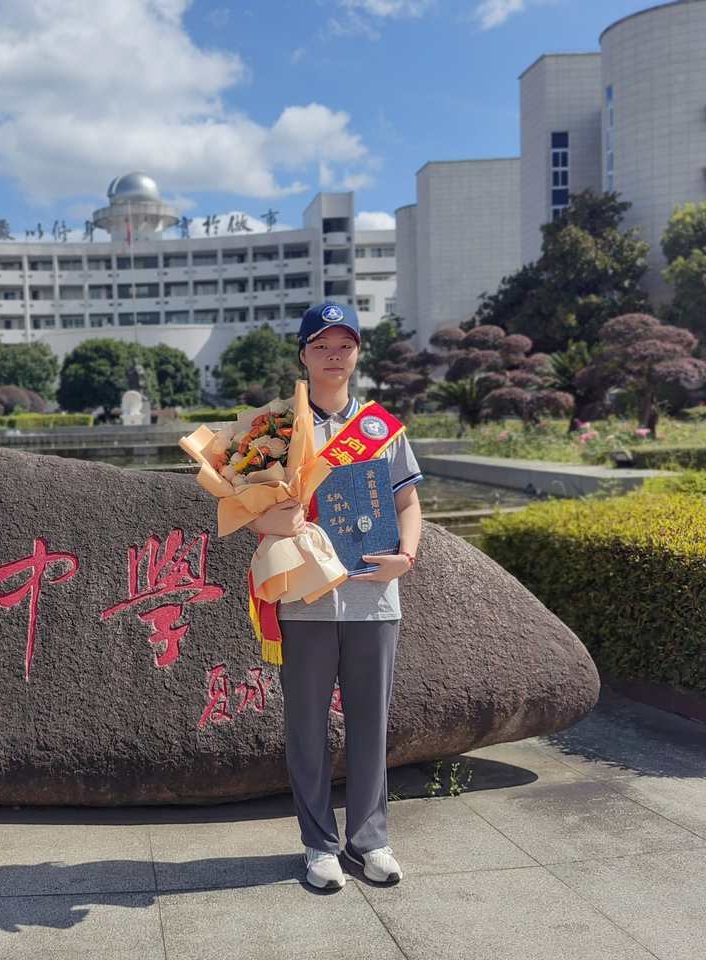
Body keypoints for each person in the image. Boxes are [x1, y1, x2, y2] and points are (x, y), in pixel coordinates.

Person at [247, 301, 422, 891]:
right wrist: (270, 522)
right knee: (306, 725)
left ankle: (370, 840)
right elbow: (248, 509)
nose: (333, 356)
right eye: (321, 345)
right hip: (305, 597)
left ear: (357, 353)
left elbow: (407, 503)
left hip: (374, 597)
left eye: (344, 345)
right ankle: (319, 845)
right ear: (303, 354)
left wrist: (406, 557)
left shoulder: (381, 427)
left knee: (371, 722)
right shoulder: (276, 429)